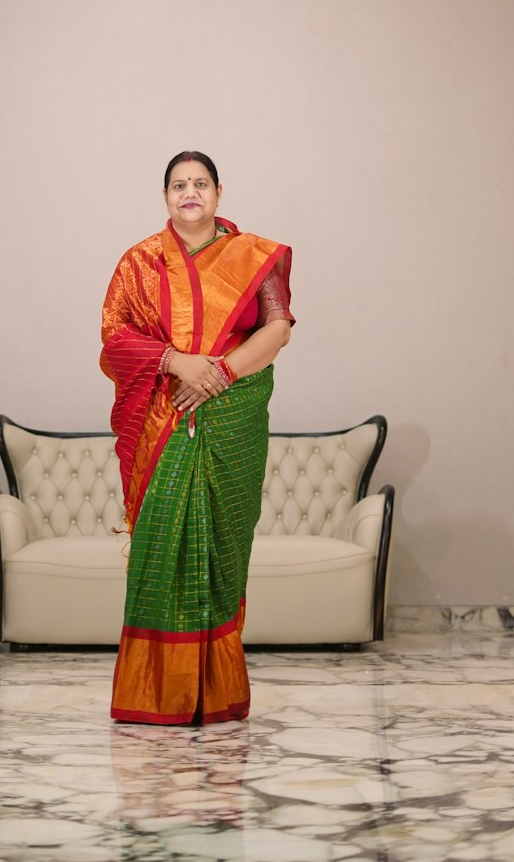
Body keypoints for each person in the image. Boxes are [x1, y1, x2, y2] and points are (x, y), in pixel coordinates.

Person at [100, 151, 294, 725]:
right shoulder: (139, 262)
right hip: (167, 418)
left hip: (232, 417)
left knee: (223, 550)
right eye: (178, 185)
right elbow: (114, 339)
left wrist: (219, 375)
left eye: (200, 183)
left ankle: (215, 692)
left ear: (218, 192)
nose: (190, 192)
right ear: (166, 197)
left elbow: (277, 329)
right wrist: (175, 361)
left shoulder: (257, 256)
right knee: (162, 541)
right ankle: (157, 693)